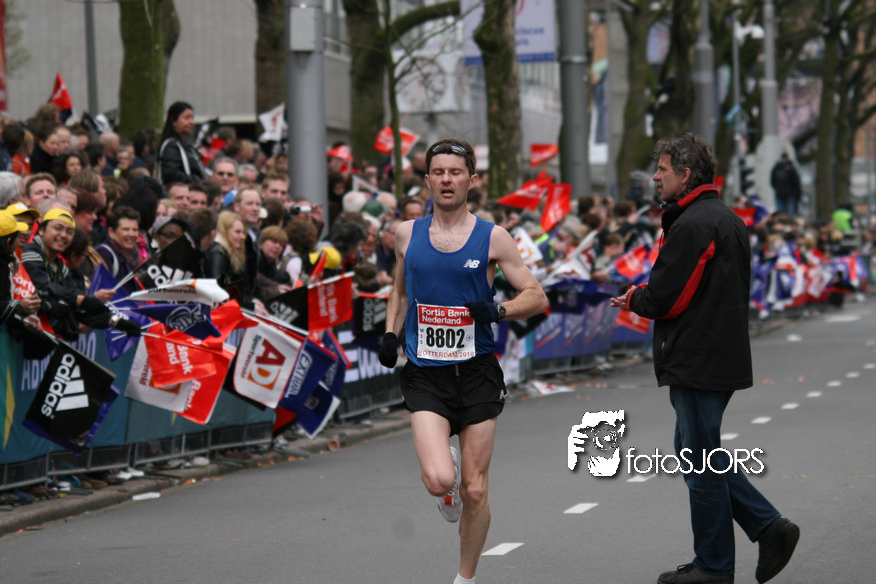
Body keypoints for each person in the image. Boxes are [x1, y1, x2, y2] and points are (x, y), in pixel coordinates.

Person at [610, 133, 799, 584]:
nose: (655, 177)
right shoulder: (725, 218)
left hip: (698, 356)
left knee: (699, 462)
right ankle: (768, 527)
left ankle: (715, 565)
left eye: (662, 169)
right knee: (696, 452)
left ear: (685, 174)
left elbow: (668, 298)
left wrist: (635, 297)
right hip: (716, 353)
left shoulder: (694, 223)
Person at [379, 138, 548, 584]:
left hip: (476, 372)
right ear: (427, 179)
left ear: (472, 180)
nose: (447, 180)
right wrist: (391, 334)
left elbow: (536, 296)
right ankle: (446, 480)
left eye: (455, 172)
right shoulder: (406, 234)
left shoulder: (493, 237)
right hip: (425, 373)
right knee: (440, 480)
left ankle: (465, 578)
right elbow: (399, 291)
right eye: (438, 172)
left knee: (475, 490)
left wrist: (497, 310)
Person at [157, 101, 206, 184]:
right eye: (187, 118)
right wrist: (196, 181)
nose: (192, 122)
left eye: (192, 118)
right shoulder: (171, 146)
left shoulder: (186, 146)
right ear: (173, 121)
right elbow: (171, 174)